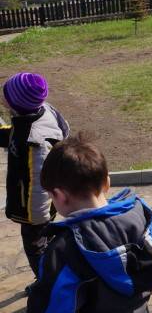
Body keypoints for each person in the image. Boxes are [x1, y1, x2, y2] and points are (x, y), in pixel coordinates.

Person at [27, 133, 152, 312]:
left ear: (59, 196)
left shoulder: (64, 250)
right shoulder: (144, 219)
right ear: (107, 182)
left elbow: (52, 305)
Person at [0, 72, 69, 281]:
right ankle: (52, 275)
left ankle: (48, 284)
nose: (2, 97)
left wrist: (37, 219)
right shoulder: (41, 111)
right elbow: (14, 132)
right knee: (46, 243)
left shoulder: (34, 144)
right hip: (47, 202)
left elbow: (38, 183)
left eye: (5, 95)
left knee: (36, 248)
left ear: (15, 103)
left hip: (35, 209)